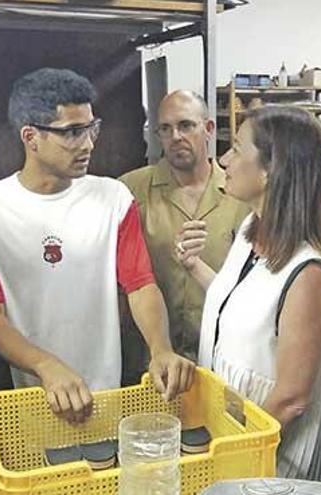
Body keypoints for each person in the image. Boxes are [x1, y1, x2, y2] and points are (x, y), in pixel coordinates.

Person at [0, 68, 194, 424]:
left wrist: (160, 349)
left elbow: (140, 284)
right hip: (26, 402)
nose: (88, 144)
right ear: (30, 137)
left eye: (91, 129)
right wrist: (45, 365)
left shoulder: (113, 199)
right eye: (72, 133)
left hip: (107, 395)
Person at [178, 105, 321, 482]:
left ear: (272, 169)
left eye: (237, 149)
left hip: (271, 457)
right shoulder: (249, 231)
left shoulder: (308, 274)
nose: (223, 159)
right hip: (229, 435)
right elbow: (243, 307)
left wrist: (233, 456)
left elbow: (291, 399)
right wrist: (195, 267)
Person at [118, 90, 249, 383]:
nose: (175, 136)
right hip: (149, 359)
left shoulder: (240, 193)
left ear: (209, 129)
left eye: (186, 126)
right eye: (165, 129)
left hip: (221, 355)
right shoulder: (131, 190)